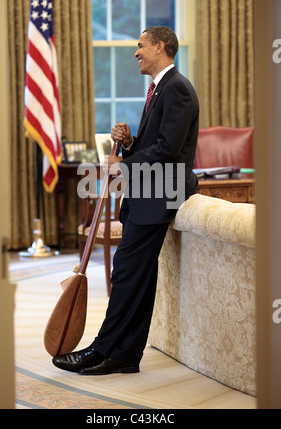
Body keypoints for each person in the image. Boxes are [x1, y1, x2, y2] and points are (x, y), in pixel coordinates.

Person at [52, 26, 199, 375]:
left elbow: (168, 151)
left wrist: (124, 164)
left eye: (141, 45)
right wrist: (131, 142)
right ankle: (124, 356)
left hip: (161, 195)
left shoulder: (176, 88)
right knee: (137, 278)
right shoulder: (160, 88)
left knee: (127, 276)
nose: (136, 52)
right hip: (149, 194)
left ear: (159, 47)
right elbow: (158, 143)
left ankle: (101, 350)